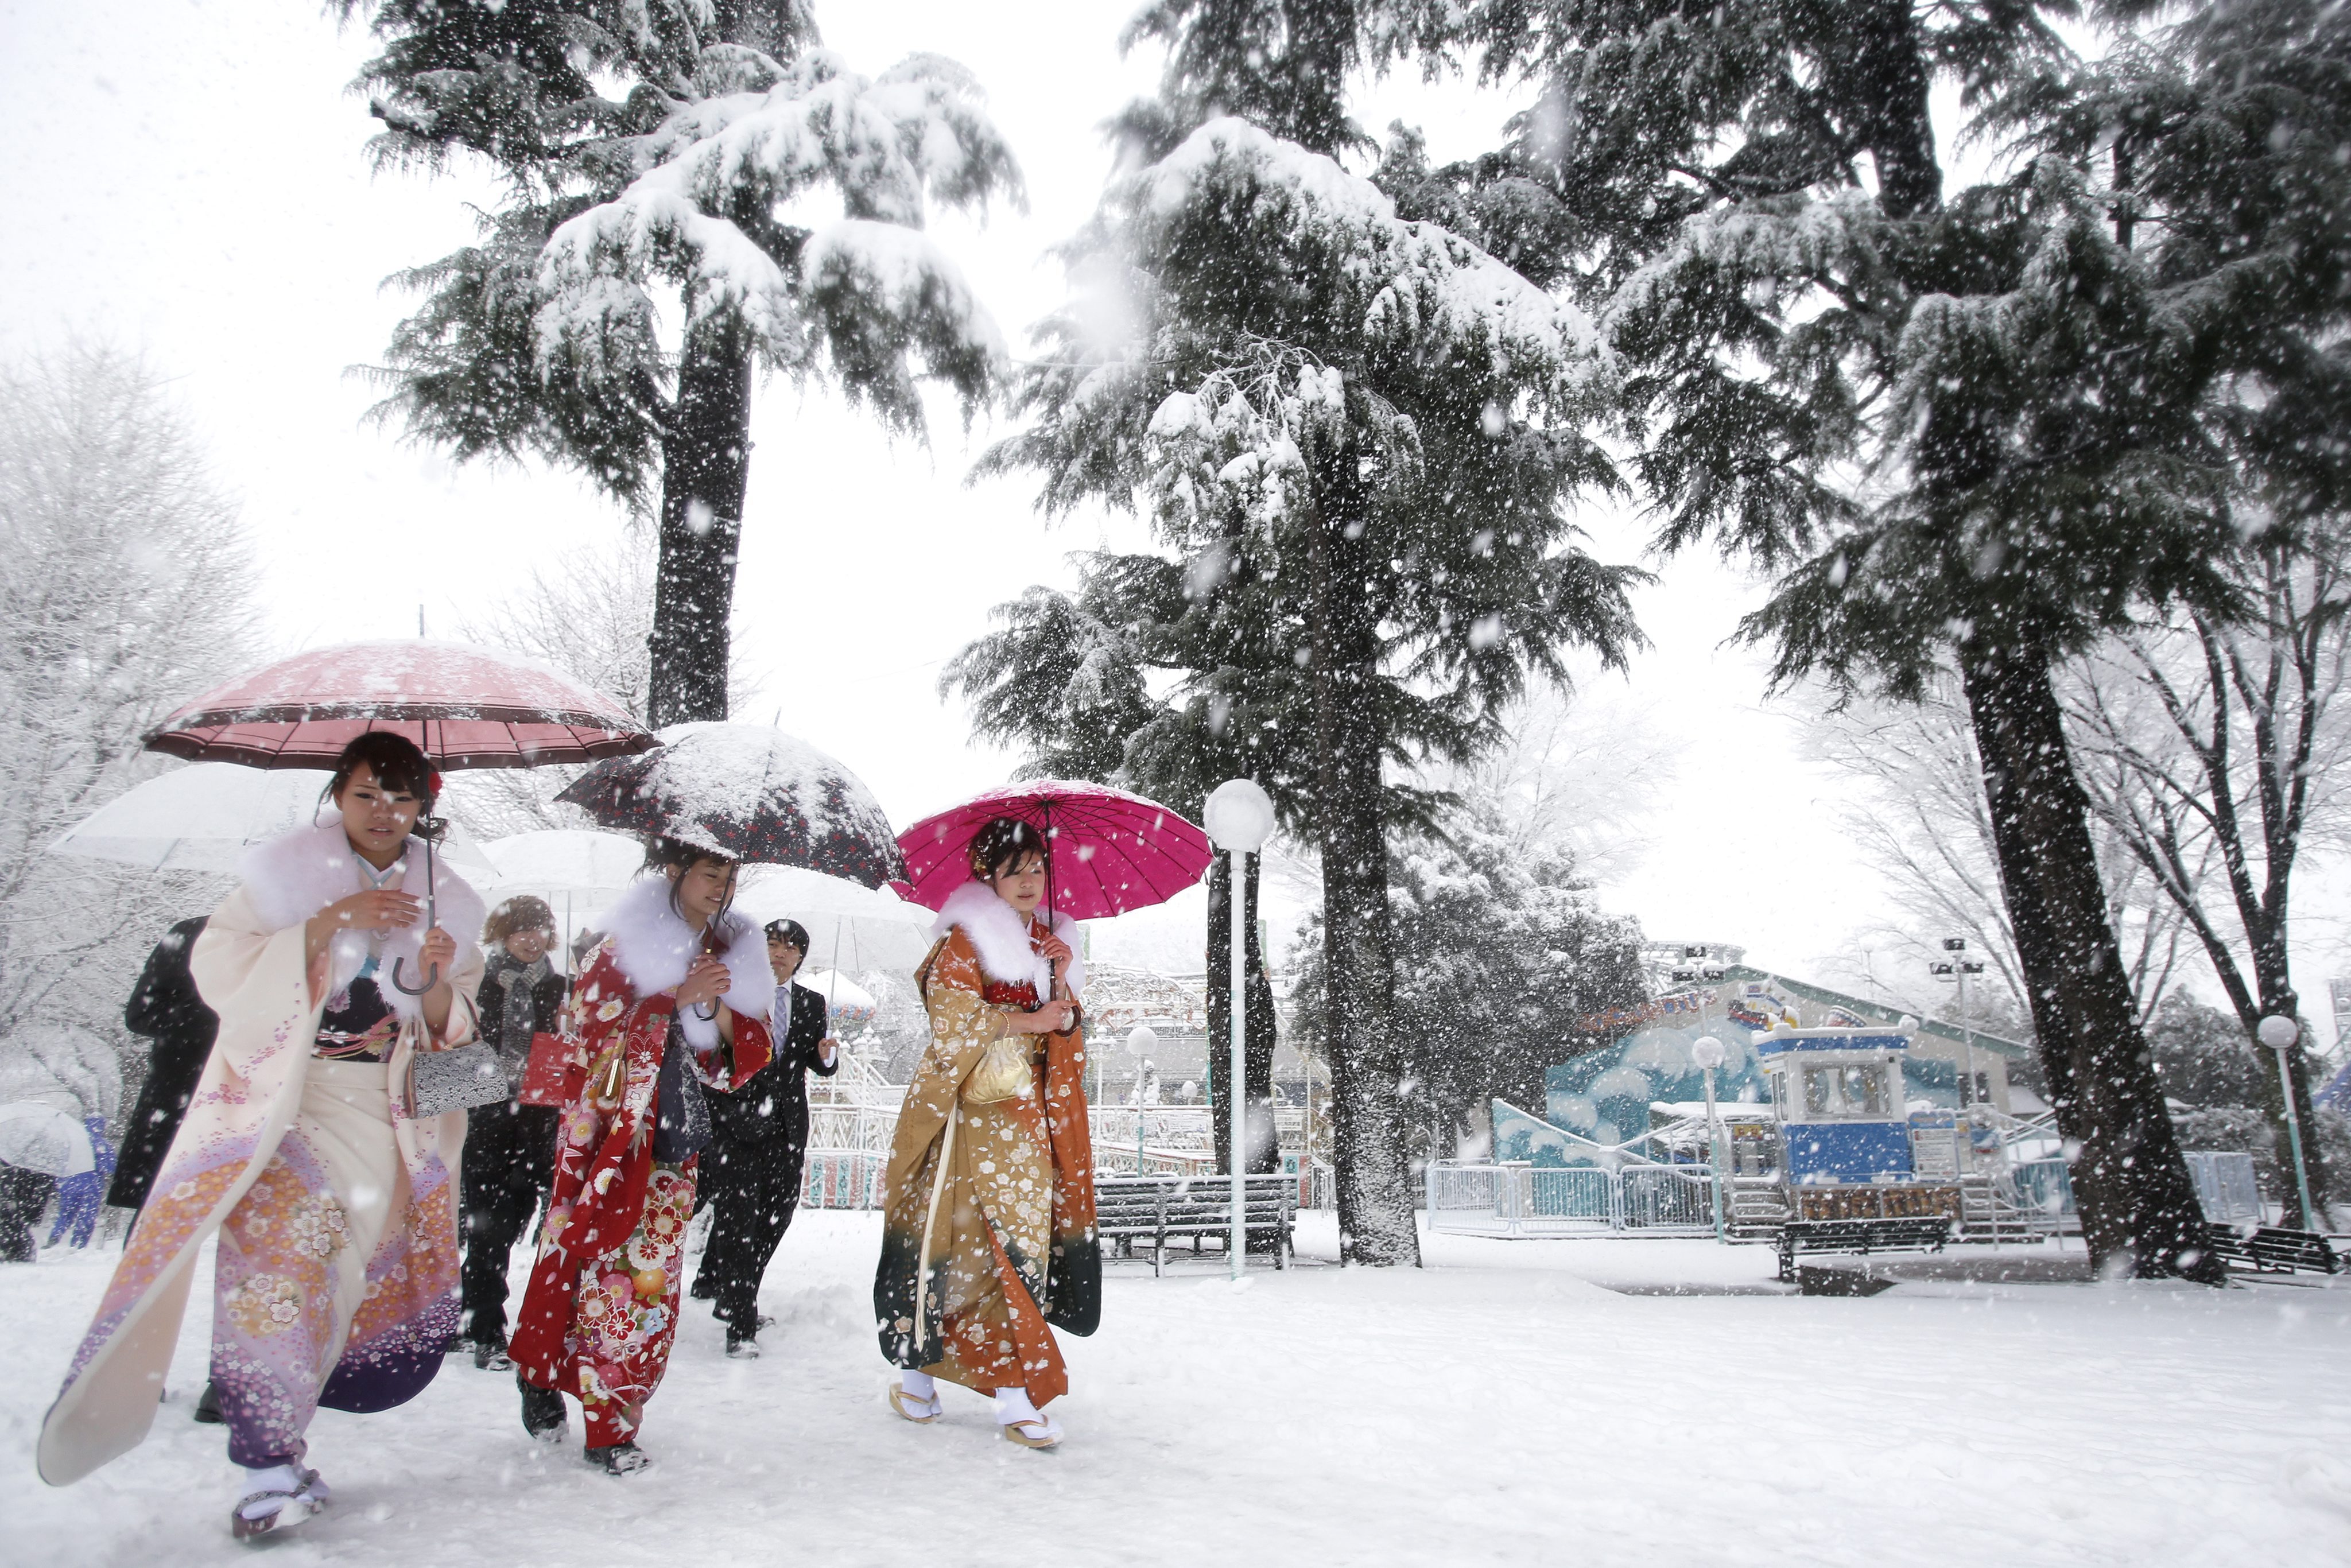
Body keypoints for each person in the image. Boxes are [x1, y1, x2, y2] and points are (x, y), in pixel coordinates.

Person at [34, 732, 486, 1542]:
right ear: (336, 796)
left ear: (426, 806)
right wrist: (327, 925)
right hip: (286, 1107)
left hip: (387, 1120)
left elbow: (459, 1059)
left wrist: (442, 976)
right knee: (270, 1279)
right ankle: (266, 1462)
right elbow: (220, 979)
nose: (385, 814)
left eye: (403, 798)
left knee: (344, 1284)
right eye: (366, 796)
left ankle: (289, 1437)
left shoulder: (447, 896)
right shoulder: (281, 878)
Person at [508, 836, 774, 1474]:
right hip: (607, 1139)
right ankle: (545, 1369)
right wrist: (672, 999)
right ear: (675, 870)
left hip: (671, 1138)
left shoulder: (723, 949)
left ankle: (611, 1415)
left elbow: (735, 1058)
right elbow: (586, 1027)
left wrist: (716, 1006)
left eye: (730, 875)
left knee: (644, 1281)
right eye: (711, 872)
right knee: (584, 1262)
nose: (722, 887)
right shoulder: (621, 943)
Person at [873, 818, 1099, 1450]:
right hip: (969, 1118)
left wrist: (1059, 983)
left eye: (1036, 868)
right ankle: (1012, 1395)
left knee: (993, 1246)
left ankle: (918, 1376)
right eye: (1014, 870)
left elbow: (1062, 1031)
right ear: (988, 876)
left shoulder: (1045, 940)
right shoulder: (965, 940)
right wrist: (1030, 1016)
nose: (1029, 882)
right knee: (982, 1245)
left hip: (1024, 1119)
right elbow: (951, 1019)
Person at [691, 918, 840, 1357]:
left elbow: (813, 1062)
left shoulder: (812, 1003)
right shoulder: (734, 992)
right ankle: (740, 1323)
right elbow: (712, 1052)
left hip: (787, 1127)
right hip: (735, 1125)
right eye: (773, 943)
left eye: (791, 947)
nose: (780, 952)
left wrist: (825, 1059)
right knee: (738, 1220)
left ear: (800, 957)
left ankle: (734, 1291)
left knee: (777, 1217)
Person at [458, 896, 569, 1370]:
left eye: (539, 930)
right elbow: (452, 1044)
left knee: (527, 1226)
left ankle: (509, 1324)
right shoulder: (473, 983)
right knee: (487, 1230)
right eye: (521, 930)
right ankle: (485, 1329)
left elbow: (574, 1054)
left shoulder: (563, 990)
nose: (531, 939)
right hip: (481, 1121)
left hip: (539, 1125)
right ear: (501, 935)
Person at [108, 918, 219, 1216]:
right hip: (180, 1101)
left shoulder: (311, 937)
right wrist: (220, 1011)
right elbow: (142, 1014)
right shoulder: (197, 932)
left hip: (271, 1108)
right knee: (160, 1231)